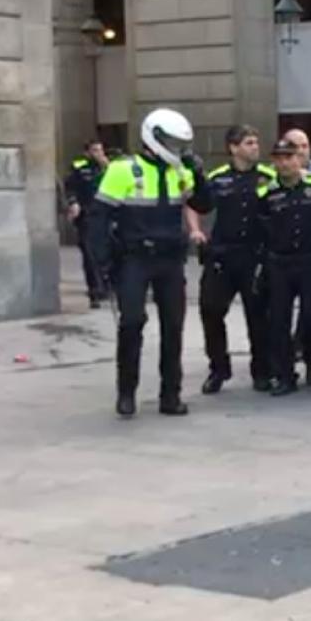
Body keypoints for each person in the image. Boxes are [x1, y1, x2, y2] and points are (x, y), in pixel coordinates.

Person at [87, 108, 211, 417]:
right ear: (153, 138)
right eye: (172, 143)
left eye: (181, 144)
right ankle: (126, 392)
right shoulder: (123, 170)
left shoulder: (179, 171)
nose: (177, 150)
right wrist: (103, 264)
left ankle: (171, 395)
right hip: (134, 259)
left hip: (170, 260)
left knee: (173, 327)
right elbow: (97, 219)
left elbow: (204, 204)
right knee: (131, 323)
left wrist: (198, 174)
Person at [189, 125, 275, 395]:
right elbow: (194, 202)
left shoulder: (268, 177)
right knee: (211, 310)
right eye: (249, 143)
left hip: (255, 254)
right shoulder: (217, 178)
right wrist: (195, 229)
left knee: (258, 315)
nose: (255, 147)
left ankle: (262, 371)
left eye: (256, 142)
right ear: (233, 148)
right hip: (222, 254)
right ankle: (218, 368)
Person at [256, 139, 311, 395]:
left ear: (299, 159)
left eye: (289, 157)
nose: (284, 163)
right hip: (280, 263)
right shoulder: (266, 192)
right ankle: (285, 375)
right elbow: (261, 225)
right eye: (279, 159)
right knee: (278, 320)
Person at [63, 139, 111, 307]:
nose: (99, 154)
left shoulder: (110, 168)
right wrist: (73, 203)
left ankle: (107, 285)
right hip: (88, 216)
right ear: (87, 153)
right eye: (95, 150)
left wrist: (107, 167)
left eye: (101, 150)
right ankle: (95, 290)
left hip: (107, 216)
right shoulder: (80, 168)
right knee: (90, 255)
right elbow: (70, 188)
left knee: (108, 253)